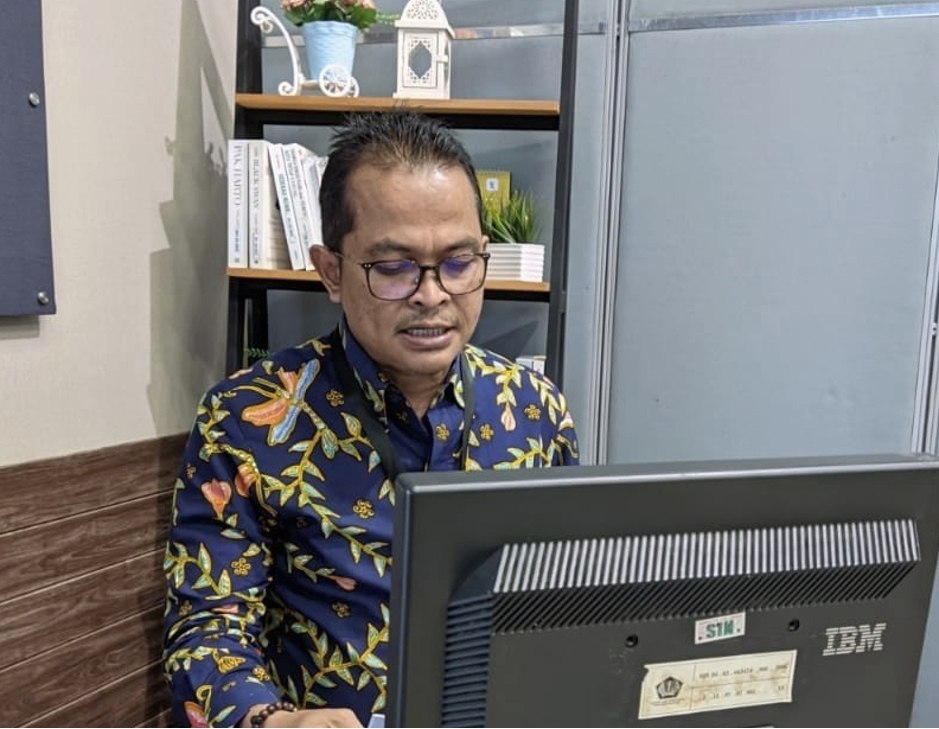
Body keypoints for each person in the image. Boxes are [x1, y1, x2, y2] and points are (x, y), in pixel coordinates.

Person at [162, 111, 579, 728]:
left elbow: (565, 603)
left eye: (459, 263)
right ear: (331, 271)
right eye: (393, 268)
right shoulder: (248, 418)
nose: (432, 295)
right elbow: (208, 624)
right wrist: (269, 720)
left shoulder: (536, 410)